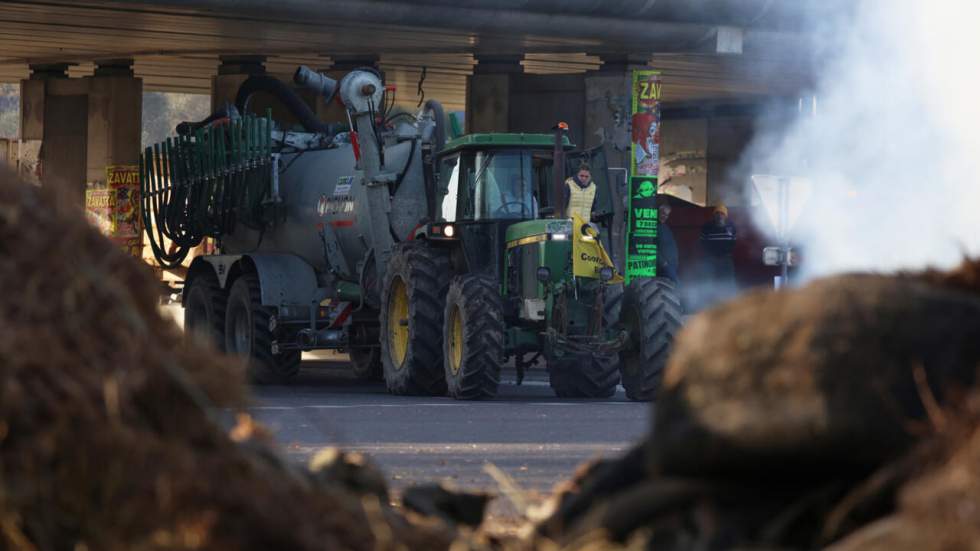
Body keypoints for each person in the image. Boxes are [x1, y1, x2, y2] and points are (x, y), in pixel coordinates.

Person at [700, 204, 737, 300]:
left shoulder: (731, 227)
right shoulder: (707, 227)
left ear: (726, 216)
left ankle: (729, 303)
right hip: (711, 260)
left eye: (722, 213)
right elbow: (702, 243)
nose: (720, 216)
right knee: (710, 282)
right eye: (717, 213)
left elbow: (734, 242)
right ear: (714, 215)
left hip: (726, 260)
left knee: (728, 282)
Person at [657, 203, 679, 282]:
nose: (665, 216)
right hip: (663, 266)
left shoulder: (666, 228)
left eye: (667, 215)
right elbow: (651, 246)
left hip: (672, 265)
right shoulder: (653, 226)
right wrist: (662, 262)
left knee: (674, 287)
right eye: (663, 213)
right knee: (678, 285)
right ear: (658, 212)